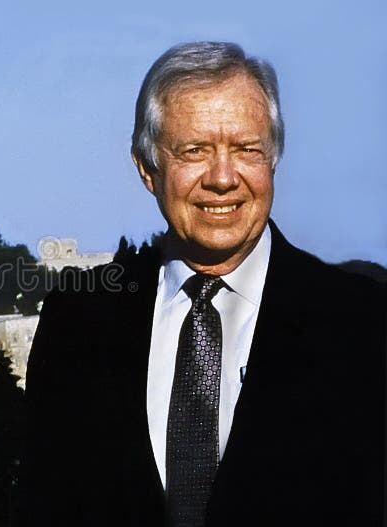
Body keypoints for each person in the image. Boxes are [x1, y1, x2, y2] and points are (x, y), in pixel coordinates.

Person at [24, 42, 385, 527]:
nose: (222, 178)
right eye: (194, 151)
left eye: (246, 150)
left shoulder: (363, 323)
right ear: (147, 168)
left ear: (273, 158)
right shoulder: (76, 321)